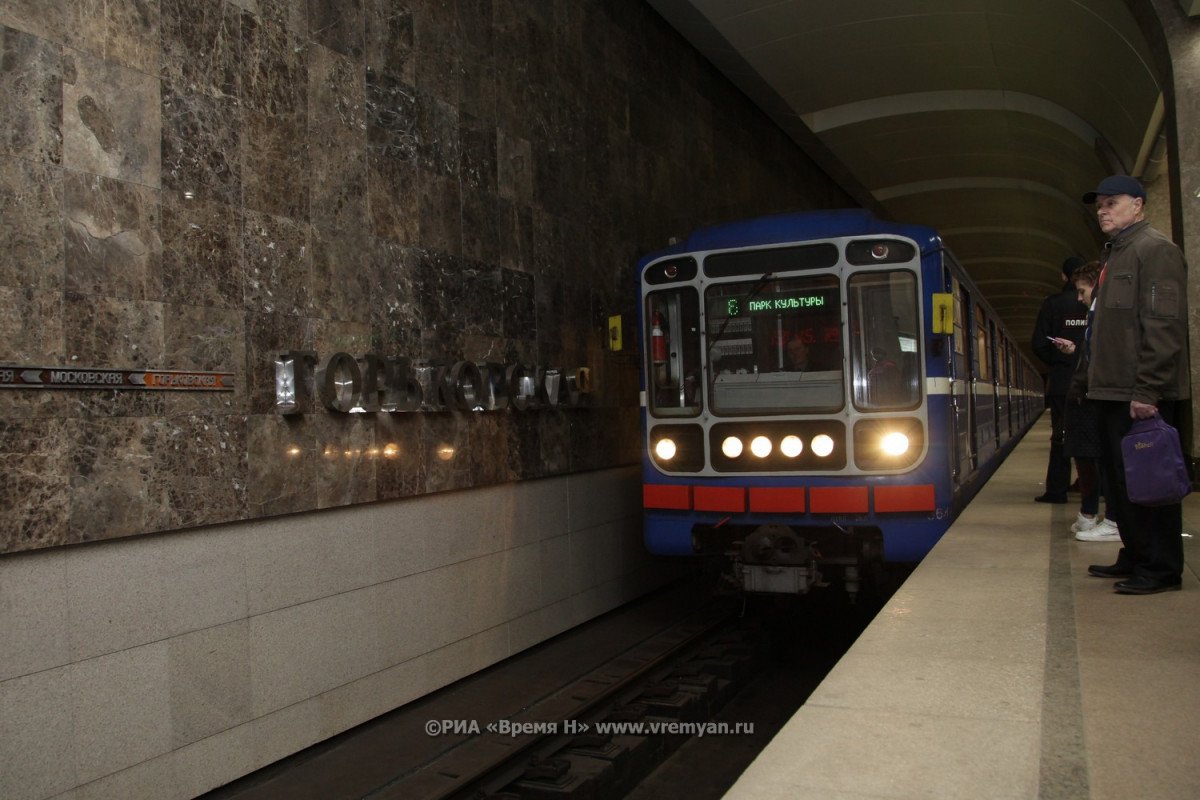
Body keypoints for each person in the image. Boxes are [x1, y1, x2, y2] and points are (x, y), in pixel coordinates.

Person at [1077, 175, 1190, 594]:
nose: (1103, 209)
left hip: (1138, 392)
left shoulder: (1155, 250)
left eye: (1112, 202)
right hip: (1110, 391)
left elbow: (1163, 326)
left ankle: (1160, 569)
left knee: (1149, 482)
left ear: (1138, 205)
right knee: (1121, 482)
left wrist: (1148, 390)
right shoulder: (1116, 255)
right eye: (1100, 204)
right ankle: (1136, 554)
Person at [1053, 261, 1118, 541]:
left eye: (1081, 291)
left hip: (1094, 396)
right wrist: (1074, 350)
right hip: (1085, 394)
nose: (1078, 298)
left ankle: (1111, 519)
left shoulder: (1105, 314)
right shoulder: (1094, 314)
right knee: (1087, 457)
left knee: (1101, 461)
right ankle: (1090, 514)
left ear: (1096, 283)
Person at [1031, 256, 1090, 502]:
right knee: (1094, 436)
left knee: (1061, 436)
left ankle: (1056, 490)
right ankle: (1097, 489)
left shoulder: (1053, 304)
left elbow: (1038, 344)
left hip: (1063, 381)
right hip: (1094, 381)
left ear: (1064, 276)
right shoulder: (1097, 303)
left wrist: (1058, 362)